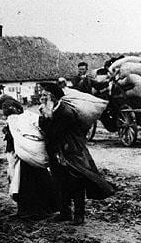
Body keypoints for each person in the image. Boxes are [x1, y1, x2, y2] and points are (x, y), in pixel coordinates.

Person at [38, 82, 114, 225]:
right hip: (58, 152)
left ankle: (79, 215)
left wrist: (43, 119)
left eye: (44, 96)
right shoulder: (51, 110)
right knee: (60, 182)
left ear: (52, 98)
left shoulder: (64, 112)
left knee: (76, 182)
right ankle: (64, 212)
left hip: (71, 152)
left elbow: (53, 133)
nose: (41, 98)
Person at [2, 98, 59, 219]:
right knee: (25, 183)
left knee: (29, 183)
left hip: (30, 155)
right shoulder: (15, 121)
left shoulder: (26, 118)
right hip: (24, 156)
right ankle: (30, 210)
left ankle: (37, 210)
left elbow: (38, 131)